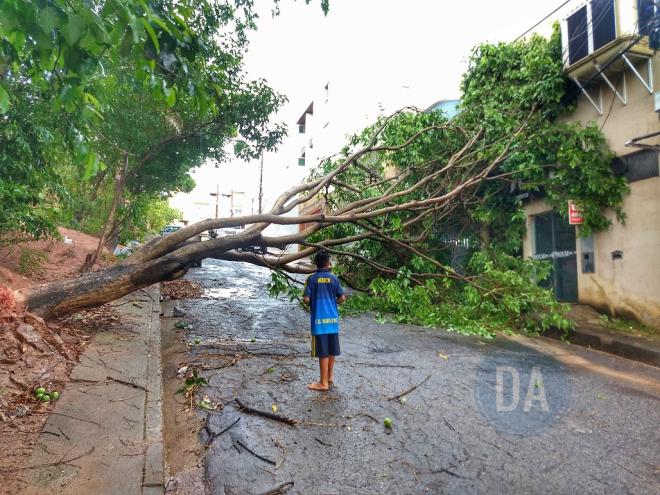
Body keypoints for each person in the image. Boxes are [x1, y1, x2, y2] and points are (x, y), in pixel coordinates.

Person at [303, 250, 346, 391]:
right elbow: (342, 298)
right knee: (331, 349)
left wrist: (311, 302)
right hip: (332, 320)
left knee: (323, 352)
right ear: (328, 263)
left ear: (316, 263)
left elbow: (306, 299)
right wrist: (334, 301)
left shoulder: (311, 278)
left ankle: (323, 383)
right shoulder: (334, 278)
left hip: (319, 322)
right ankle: (329, 377)